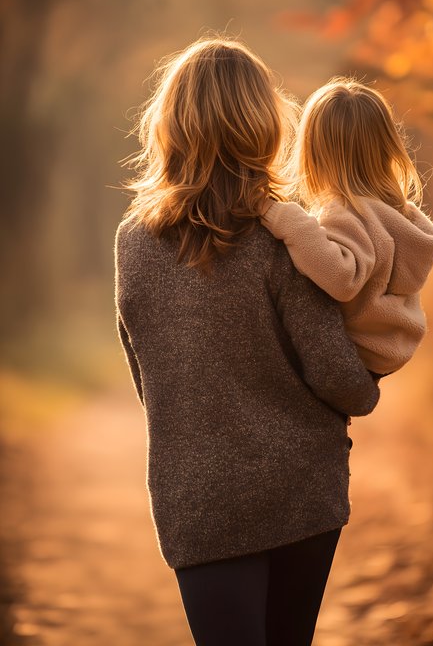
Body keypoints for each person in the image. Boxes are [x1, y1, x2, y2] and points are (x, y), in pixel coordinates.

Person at [113, 37, 381, 646]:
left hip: (197, 497)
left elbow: (145, 376)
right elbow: (338, 378)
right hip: (299, 488)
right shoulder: (286, 236)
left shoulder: (135, 241)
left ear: (169, 125)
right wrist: (372, 379)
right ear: (262, 124)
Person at [260, 78, 433, 381]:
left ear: (313, 154)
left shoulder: (346, 213)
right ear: (386, 150)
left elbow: (341, 278)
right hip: (391, 344)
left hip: (362, 348)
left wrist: (284, 218)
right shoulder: (392, 215)